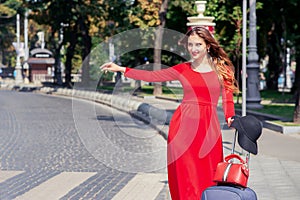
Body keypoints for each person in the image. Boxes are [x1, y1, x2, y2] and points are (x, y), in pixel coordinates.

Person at [100, 26, 239, 200]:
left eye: (198, 45)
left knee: (209, 175)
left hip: (208, 129)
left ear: (208, 46)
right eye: (190, 45)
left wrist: (231, 119)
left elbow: (227, 100)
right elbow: (153, 76)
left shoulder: (222, 70)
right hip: (182, 128)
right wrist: (123, 69)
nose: (193, 49)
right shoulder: (183, 69)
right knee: (186, 175)